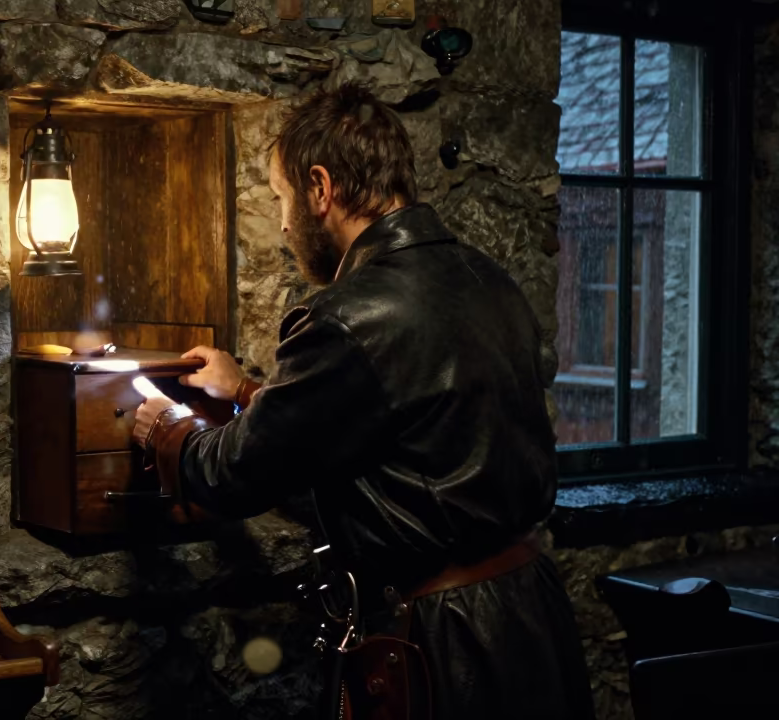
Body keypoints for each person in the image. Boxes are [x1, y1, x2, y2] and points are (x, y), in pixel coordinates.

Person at [131, 83, 596, 720]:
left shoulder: (347, 316)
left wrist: (168, 431)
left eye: (282, 198)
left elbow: (233, 473)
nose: (286, 222)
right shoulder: (487, 279)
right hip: (530, 616)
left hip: (443, 641)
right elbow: (402, 425)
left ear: (320, 188)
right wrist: (243, 389)